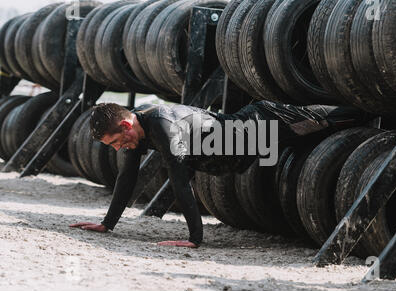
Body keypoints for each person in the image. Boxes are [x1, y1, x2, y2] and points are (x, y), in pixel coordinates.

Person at [70, 100, 374, 248]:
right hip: (241, 149)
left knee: (334, 119)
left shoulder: (161, 125)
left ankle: (385, 115)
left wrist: (194, 239)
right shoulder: (135, 129)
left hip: (257, 129)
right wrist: (106, 224)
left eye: (116, 141)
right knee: (321, 131)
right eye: (112, 146)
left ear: (124, 125)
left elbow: (179, 181)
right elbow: (127, 178)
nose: (118, 148)